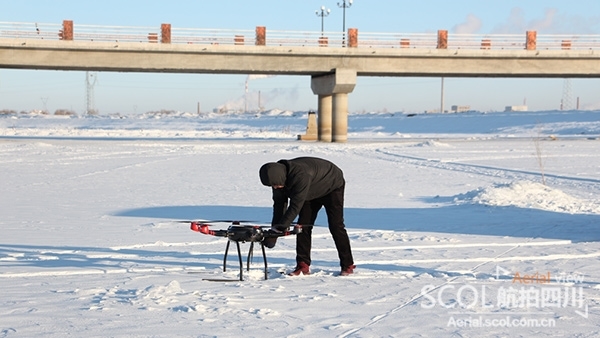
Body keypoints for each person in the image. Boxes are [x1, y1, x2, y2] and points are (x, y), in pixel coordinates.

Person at [259, 157, 355, 276]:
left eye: (276, 185)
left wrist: (281, 228)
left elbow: (295, 206)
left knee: (336, 226)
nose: (275, 188)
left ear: (281, 178)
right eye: (272, 186)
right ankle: (303, 264)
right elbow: (279, 205)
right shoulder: (277, 176)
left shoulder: (300, 175)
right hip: (310, 191)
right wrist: (275, 231)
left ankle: (347, 264)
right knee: (302, 227)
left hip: (332, 185)